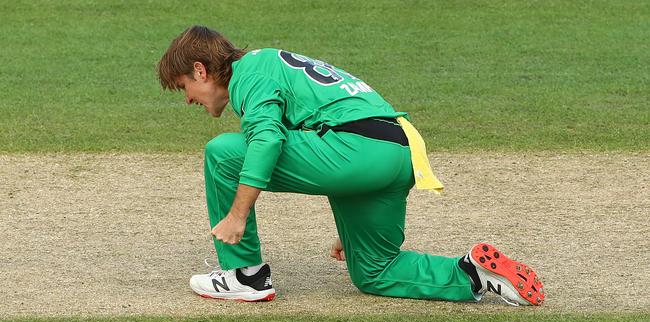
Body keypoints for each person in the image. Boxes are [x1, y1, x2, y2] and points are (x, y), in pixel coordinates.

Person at [156, 25, 545, 306]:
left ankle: (243, 275)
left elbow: (269, 140)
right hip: (398, 151)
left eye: (183, 88)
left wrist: (237, 215)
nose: (188, 99)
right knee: (374, 270)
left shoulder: (249, 74)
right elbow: (321, 129)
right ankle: (473, 273)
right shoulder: (273, 63)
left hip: (354, 150)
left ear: (201, 70)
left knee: (224, 151)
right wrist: (351, 219)